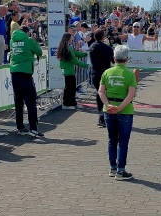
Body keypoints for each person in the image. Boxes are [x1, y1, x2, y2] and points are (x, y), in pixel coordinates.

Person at [98, 44, 137, 180]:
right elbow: (131, 95)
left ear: (114, 58)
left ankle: (112, 168)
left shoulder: (107, 72)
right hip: (125, 110)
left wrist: (107, 104)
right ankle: (121, 170)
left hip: (109, 110)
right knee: (123, 142)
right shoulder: (130, 74)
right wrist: (120, 108)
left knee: (112, 140)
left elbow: (101, 91)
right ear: (127, 59)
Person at [10, 25, 44, 137]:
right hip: (25, 73)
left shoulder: (12, 40)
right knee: (30, 101)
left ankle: (20, 127)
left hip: (14, 73)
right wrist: (34, 40)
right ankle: (33, 128)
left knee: (18, 101)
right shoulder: (29, 40)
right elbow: (39, 52)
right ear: (27, 32)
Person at [88, 29, 114, 127]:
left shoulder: (92, 46)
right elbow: (113, 60)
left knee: (99, 93)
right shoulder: (107, 48)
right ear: (103, 37)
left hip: (95, 73)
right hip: (105, 74)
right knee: (105, 94)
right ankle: (104, 116)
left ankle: (101, 115)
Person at [56, 33, 89, 110]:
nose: (72, 39)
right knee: (69, 88)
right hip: (68, 71)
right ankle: (66, 104)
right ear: (68, 38)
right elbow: (75, 60)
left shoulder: (67, 47)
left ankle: (73, 103)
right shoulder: (67, 48)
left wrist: (85, 54)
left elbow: (75, 53)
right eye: (71, 38)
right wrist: (87, 66)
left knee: (72, 88)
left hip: (68, 70)